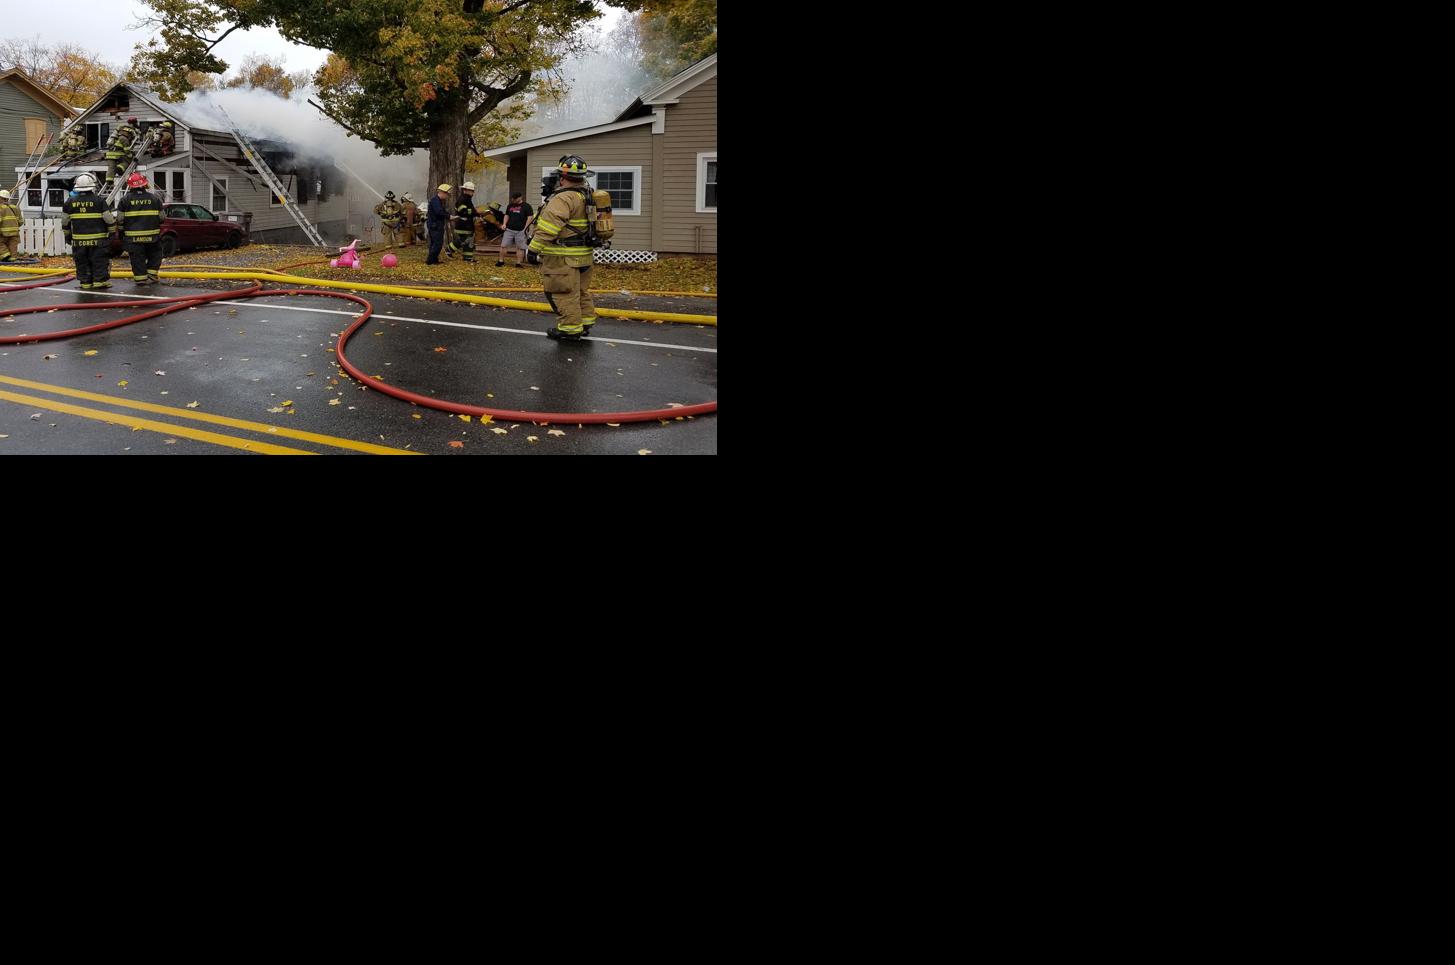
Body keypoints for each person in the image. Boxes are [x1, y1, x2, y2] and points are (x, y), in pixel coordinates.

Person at [529, 155, 598, 340]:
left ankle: (569, 329)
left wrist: (533, 249)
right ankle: (584, 322)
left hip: (562, 257)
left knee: (563, 293)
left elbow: (548, 229)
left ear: (562, 177)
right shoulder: (586, 195)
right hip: (583, 255)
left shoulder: (563, 198)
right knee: (579, 291)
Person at [62, 173, 116, 290]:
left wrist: (68, 236)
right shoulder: (99, 201)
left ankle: (85, 283)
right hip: (99, 241)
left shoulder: (69, 202)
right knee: (99, 261)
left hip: (79, 241)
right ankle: (99, 282)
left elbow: (65, 222)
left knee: (82, 262)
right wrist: (112, 233)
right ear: (93, 186)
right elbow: (109, 219)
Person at [118, 171, 164, 286]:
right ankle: (152, 275)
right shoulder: (155, 199)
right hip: (152, 237)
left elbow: (120, 219)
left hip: (133, 238)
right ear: (144, 184)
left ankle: (140, 279)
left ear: (130, 186)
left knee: (137, 258)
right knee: (155, 254)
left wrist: (121, 233)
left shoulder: (124, 200)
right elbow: (162, 218)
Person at [499, 191, 533, 267]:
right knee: (503, 245)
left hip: (521, 231)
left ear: (520, 198)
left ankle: (518, 263)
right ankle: (501, 261)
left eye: (515, 199)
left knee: (520, 248)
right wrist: (504, 224)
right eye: (512, 199)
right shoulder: (510, 205)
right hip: (509, 229)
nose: (513, 201)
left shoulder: (527, 206)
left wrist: (525, 228)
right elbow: (506, 215)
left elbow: (530, 218)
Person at [448, 180, 478, 261]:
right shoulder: (462, 199)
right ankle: (449, 249)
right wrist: (475, 212)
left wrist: (476, 213)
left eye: (473, 191)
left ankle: (467, 257)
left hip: (467, 224)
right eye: (472, 191)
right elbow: (462, 212)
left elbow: (469, 211)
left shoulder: (467, 199)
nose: (473, 193)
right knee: (464, 239)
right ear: (466, 190)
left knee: (469, 240)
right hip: (463, 224)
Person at [105, 117, 140, 182]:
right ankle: (120, 168)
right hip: (119, 153)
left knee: (111, 167)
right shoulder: (126, 136)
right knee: (128, 161)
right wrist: (130, 155)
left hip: (110, 153)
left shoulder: (119, 130)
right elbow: (126, 147)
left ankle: (109, 180)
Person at [425, 184, 450, 265]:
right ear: (442, 192)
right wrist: (449, 216)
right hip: (435, 226)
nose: (447, 196)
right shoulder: (436, 201)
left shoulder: (437, 201)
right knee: (437, 243)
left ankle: (434, 260)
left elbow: (441, 211)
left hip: (435, 225)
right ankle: (430, 260)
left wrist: (449, 216)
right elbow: (439, 212)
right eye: (447, 194)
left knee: (434, 243)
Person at [0, 189, 22, 262]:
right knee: (13, 246)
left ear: (1, 198)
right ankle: (13, 260)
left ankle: (5, 255)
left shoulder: (0, 208)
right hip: (15, 232)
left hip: (4, 233)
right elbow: (21, 221)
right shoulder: (15, 207)